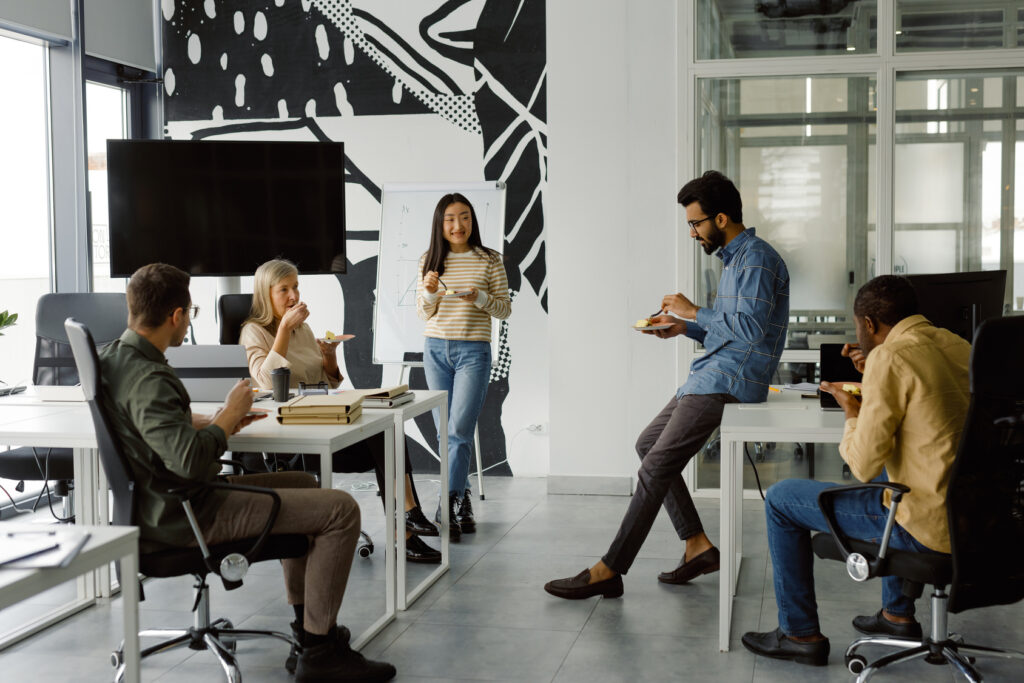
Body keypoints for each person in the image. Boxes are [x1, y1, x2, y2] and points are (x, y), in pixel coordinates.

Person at [99, 263, 395, 682]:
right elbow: (190, 462)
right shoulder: (151, 376)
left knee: (303, 483)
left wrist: (214, 419)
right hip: (188, 514)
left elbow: (148, 425)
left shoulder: (113, 357)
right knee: (341, 510)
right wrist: (226, 420)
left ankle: (305, 628)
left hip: (158, 506)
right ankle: (320, 652)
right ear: (177, 316)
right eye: (191, 312)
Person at [544, 170, 790, 599]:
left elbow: (750, 331)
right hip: (710, 376)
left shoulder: (755, 259)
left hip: (727, 382)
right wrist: (682, 328)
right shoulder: (736, 260)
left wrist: (693, 311)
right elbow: (729, 330)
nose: (692, 233)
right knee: (648, 446)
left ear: (721, 218)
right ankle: (697, 545)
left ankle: (609, 568)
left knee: (655, 465)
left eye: (695, 223)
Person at [741, 275, 971, 667]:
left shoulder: (891, 357)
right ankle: (896, 616)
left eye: (856, 327)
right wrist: (877, 377)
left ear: (868, 324)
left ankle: (799, 635)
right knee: (895, 470)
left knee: (780, 499)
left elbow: (862, 464)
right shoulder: (958, 346)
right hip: (972, 519)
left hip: (925, 527)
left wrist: (853, 411)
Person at [240, 259, 441, 563]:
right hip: (292, 440)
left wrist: (330, 360)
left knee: (386, 429)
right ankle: (408, 523)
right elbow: (268, 381)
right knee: (382, 435)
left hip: (322, 426)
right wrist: (282, 330)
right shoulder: (254, 332)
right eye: (284, 289)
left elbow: (325, 385)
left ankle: (407, 524)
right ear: (265, 294)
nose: (294, 295)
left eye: (296, 287)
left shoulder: (303, 330)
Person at [417, 193, 511, 540]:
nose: (459, 226)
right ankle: (463, 497)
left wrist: (480, 298)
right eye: (451, 219)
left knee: (457, 431)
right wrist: (428, 293)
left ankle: (449, 500)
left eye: (465, 217)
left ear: (473, 220)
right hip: (435, 350)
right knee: (447, 433)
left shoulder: (489, 260)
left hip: (473, 352)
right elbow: (423, 312)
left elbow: (504, 310)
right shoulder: (430, 260)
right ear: (440, 225)